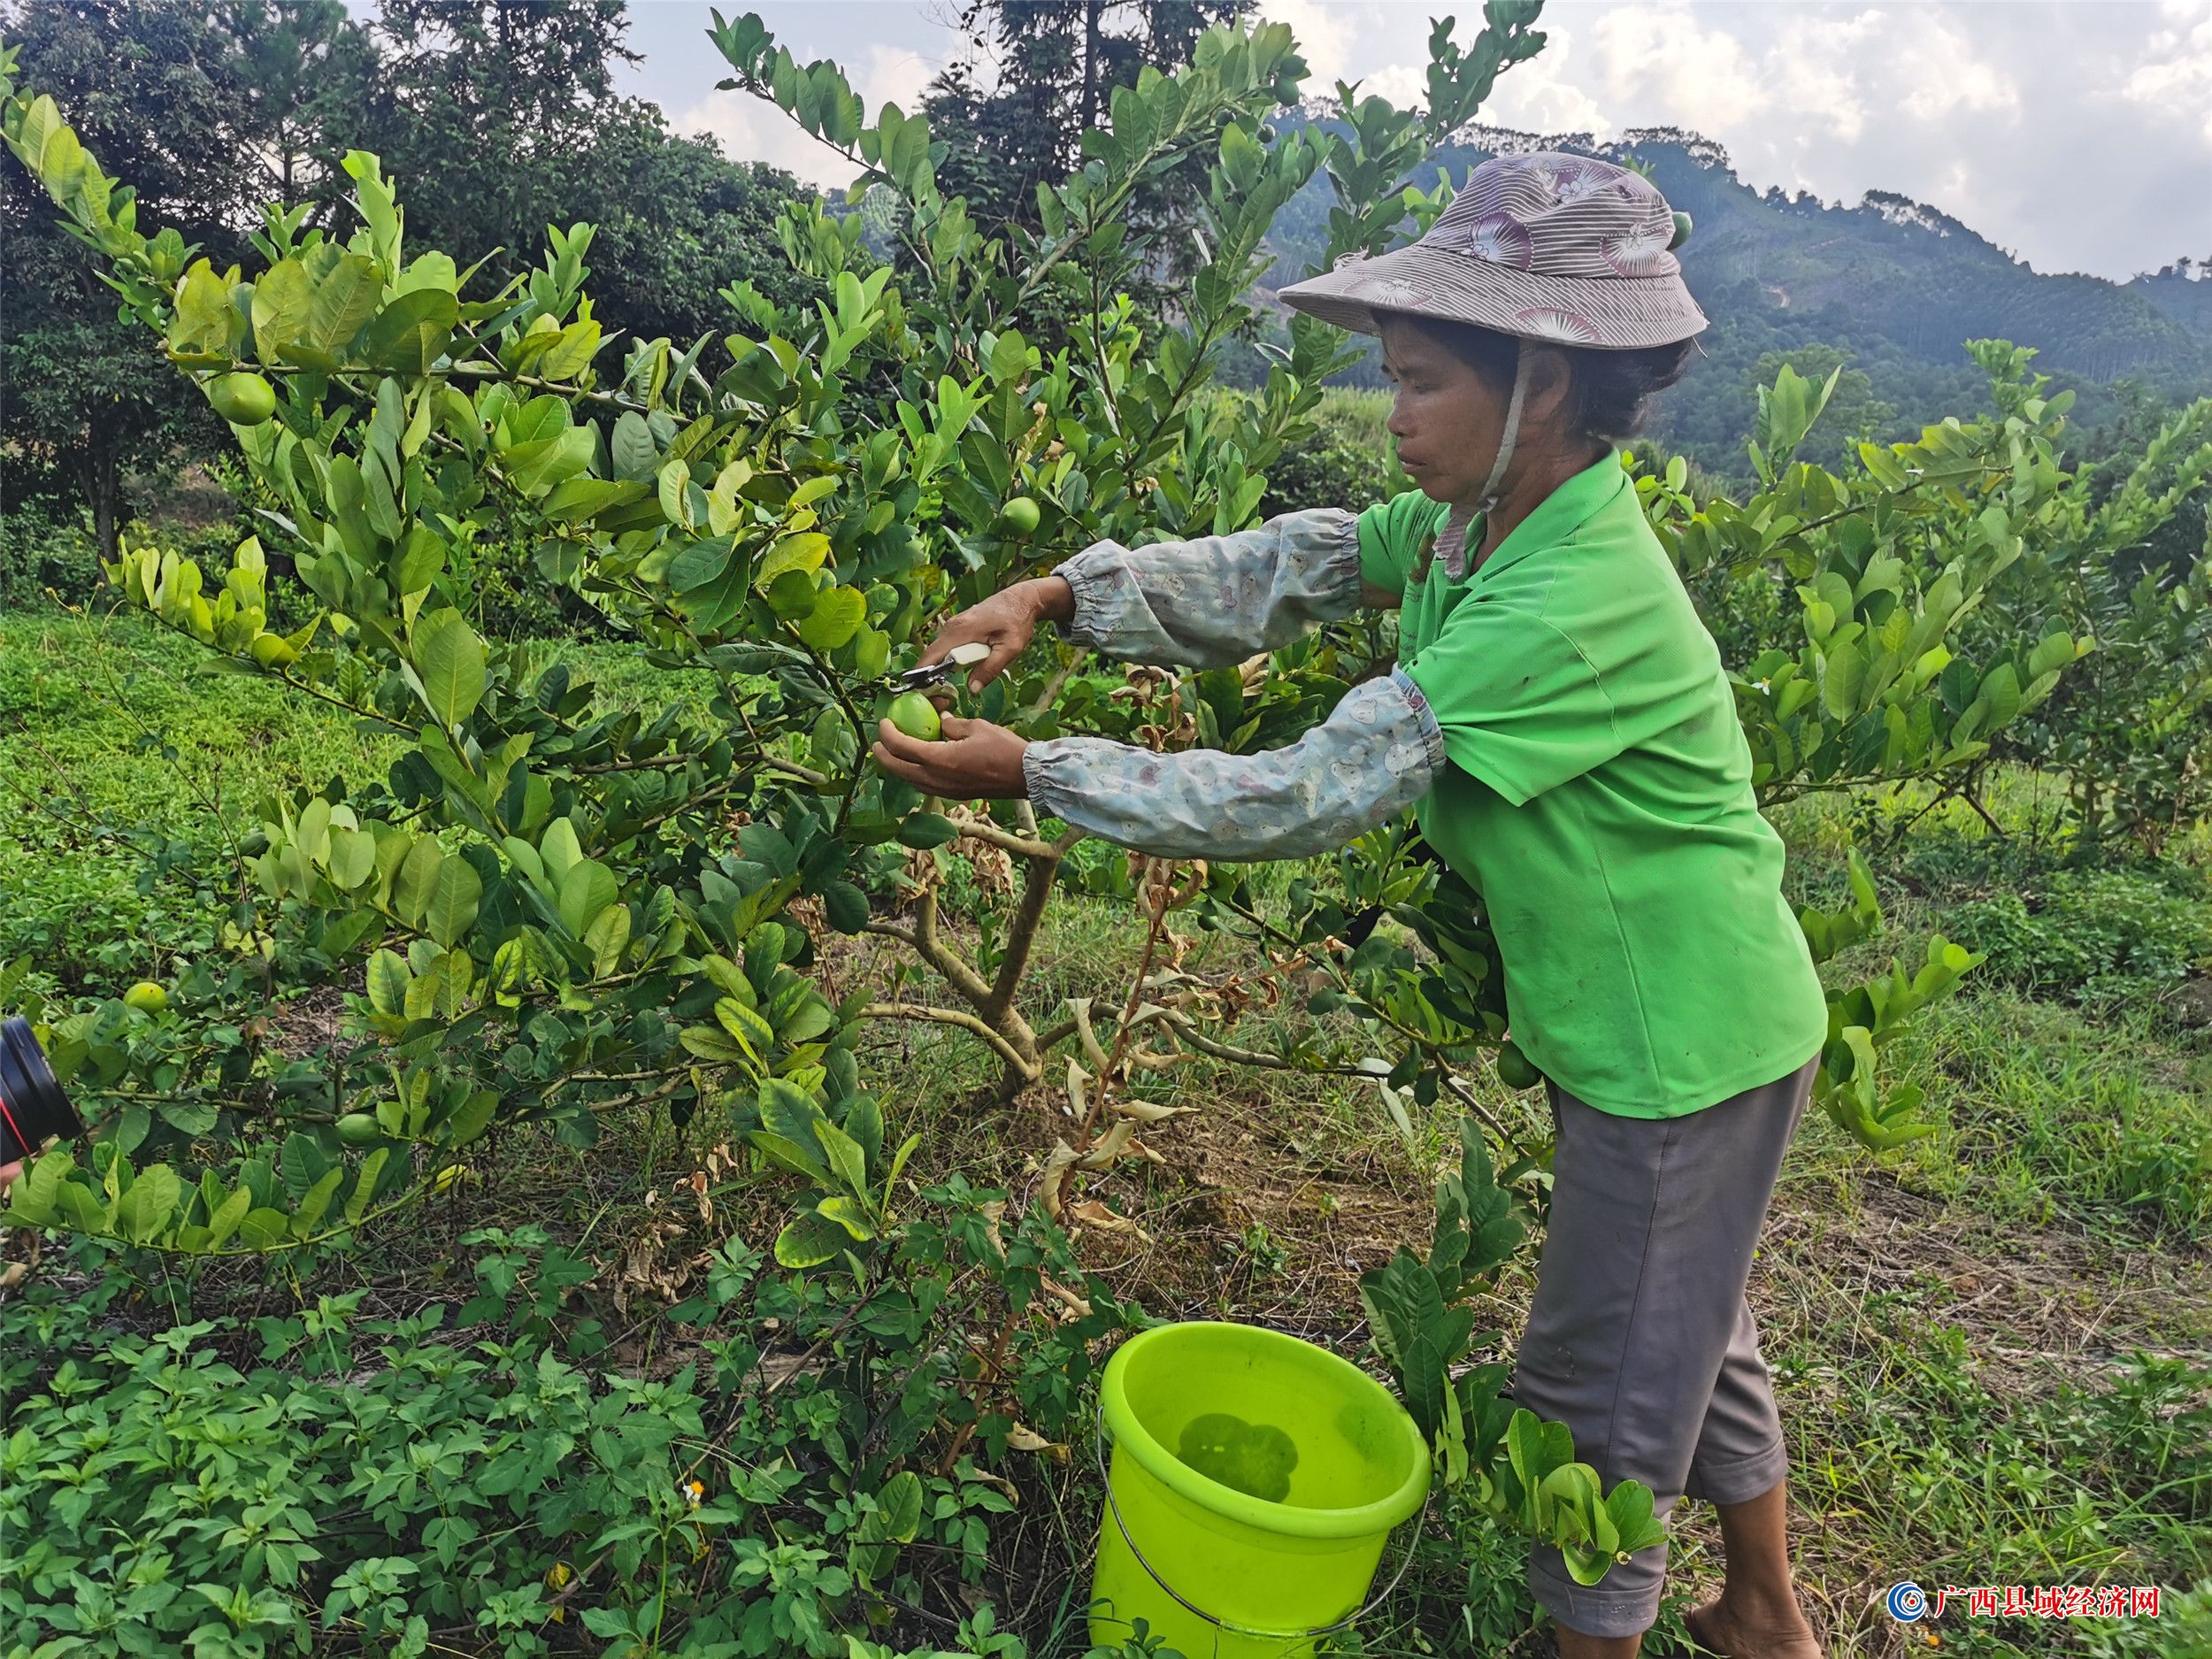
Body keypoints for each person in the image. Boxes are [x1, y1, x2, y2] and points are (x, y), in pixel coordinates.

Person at [871, 152, 1826, 1659]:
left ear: (1552, 385)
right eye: (1394, 377)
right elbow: (1300, 560)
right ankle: (1767, 1618)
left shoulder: (1570, 596)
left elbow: (1313, 789)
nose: (1396, 417)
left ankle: (1600, 1635)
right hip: (1671, 1026)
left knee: (1595, 1396)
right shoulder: (1480, 530)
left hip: (1680, 1043)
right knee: (1687, 1326)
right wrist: (1056, 597)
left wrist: (1035, 772)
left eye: (1424, 380)